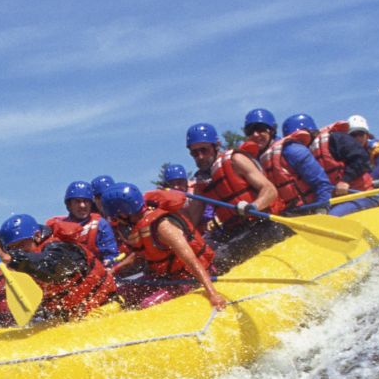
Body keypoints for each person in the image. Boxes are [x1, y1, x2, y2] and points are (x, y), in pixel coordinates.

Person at [99, 182, 227, 311]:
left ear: (124, 213)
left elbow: (191, 260)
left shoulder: (162, 226)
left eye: (115, 216)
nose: (115, 220)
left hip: (190, 278)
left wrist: (213, 294)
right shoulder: (140, 225)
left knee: (148, 305)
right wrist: (114, 270)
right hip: (166, 277)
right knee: (120, 293)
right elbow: (139, 255)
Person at [0, 212, 117, 323]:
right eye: (13, 249)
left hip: (104, 308)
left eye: (21, 245)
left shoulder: (62, 247)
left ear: (37, 236)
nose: (19, 251)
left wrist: (10, 257)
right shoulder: (29, 259)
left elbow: (50, 268)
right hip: (73, 317)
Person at [184, 121, 281, 263]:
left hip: (263, 224)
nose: (200, 156)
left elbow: (270, 190)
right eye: (194, 153)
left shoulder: (236, 160)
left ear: (216, 146)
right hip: (235, 231)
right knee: (204, 253)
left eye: (204, 150)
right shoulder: (202, 183)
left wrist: (253, 206)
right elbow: (190, 220)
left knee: (219, 258)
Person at [255, 113, 334, 212]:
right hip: (289, 215)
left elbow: (322, 184)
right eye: (249, 131)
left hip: (311, 209)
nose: (255, 134)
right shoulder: (257, 162)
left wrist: (322, 209)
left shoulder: (292, 149)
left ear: (272, 130)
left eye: (260, 129)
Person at [45, 180, 119, 264]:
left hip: (96, 272)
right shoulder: (57, 226)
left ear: (91, 203)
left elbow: (111, 254)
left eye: (85, 201)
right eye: (77, 201)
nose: (82, 205)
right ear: (69, 205)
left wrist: (108, 265)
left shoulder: (100, 224)